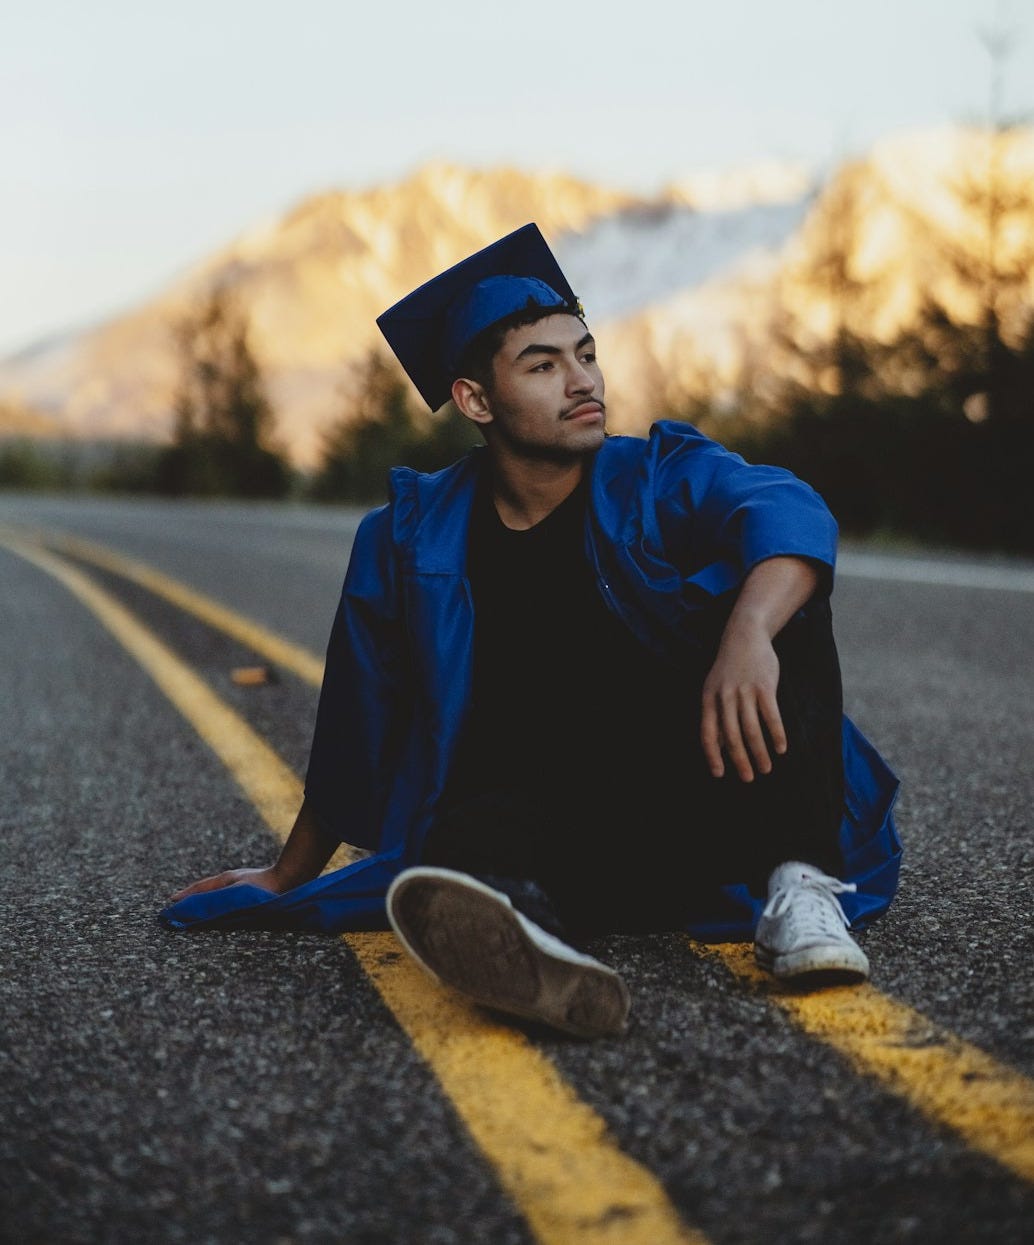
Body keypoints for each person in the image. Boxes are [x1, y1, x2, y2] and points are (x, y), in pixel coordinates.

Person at [164, 224, 901, 1039]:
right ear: (476, 400)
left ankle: (800, 889)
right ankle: (532, 946)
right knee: (456, 837)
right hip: (562, 825)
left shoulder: (652, 477)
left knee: (776, 581)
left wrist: (748, 635)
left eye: (585, 354)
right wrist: (287, 873)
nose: (582, 381)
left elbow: (790, 508)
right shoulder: (410, 536)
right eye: (544, 365)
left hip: (710, 800)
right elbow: (360, 712)